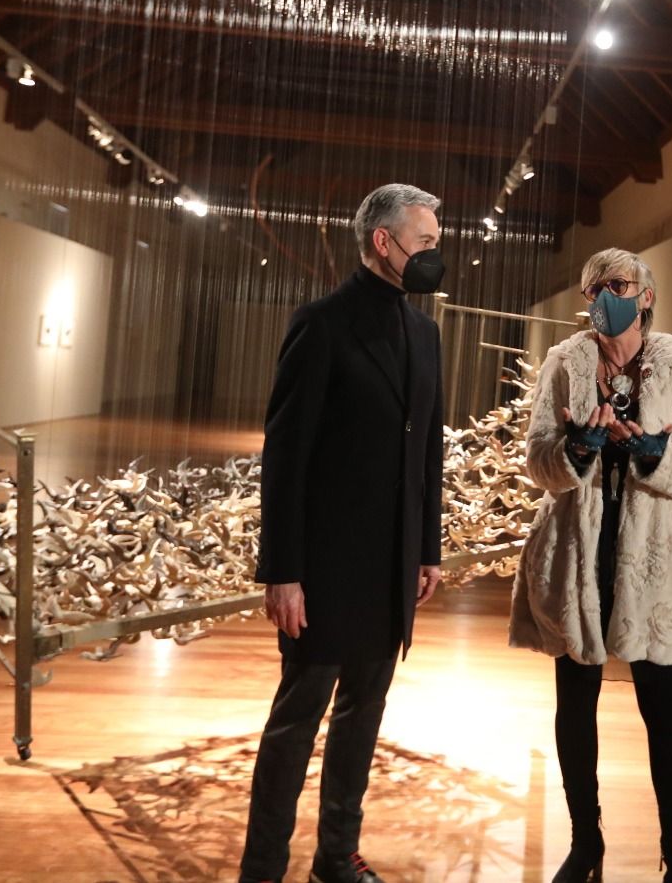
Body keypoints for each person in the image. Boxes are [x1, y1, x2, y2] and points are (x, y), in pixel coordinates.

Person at [239, 184, 447, 883]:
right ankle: (262, 867)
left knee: (362, 718)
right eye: (424, 242)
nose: (433, 255)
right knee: (297, 723)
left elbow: (428, 451)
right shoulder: (322, 323)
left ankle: (335, 856)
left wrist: (427, 548)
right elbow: (285, 453)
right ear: (383, 242)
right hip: (324, 571)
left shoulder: (425, 333)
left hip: (390, 569)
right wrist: (283, 569)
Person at [510, 247, 672, 883]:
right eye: (596, 285)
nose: (607, 294)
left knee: (667, 717)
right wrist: (572, 448)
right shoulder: (565, 363)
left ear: (645, 296)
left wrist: (657, 455)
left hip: (653, 563)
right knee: (575, 710)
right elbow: (538, 462)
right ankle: (586, 845)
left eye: (619, 284)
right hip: (577, 554)